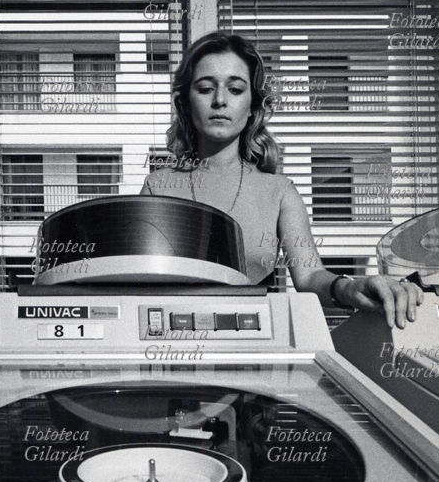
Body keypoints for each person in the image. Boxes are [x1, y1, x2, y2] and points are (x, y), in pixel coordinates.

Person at [141, 32, 422, 329]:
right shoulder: (157, 187)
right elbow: (138, 285)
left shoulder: (278, 192)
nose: (220, 101)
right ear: (185, 103)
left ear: (252, 107)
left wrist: (352, 287)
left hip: (252, 346)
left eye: (235, 90)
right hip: (172, 347)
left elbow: (311, 276)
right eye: (205, 88)